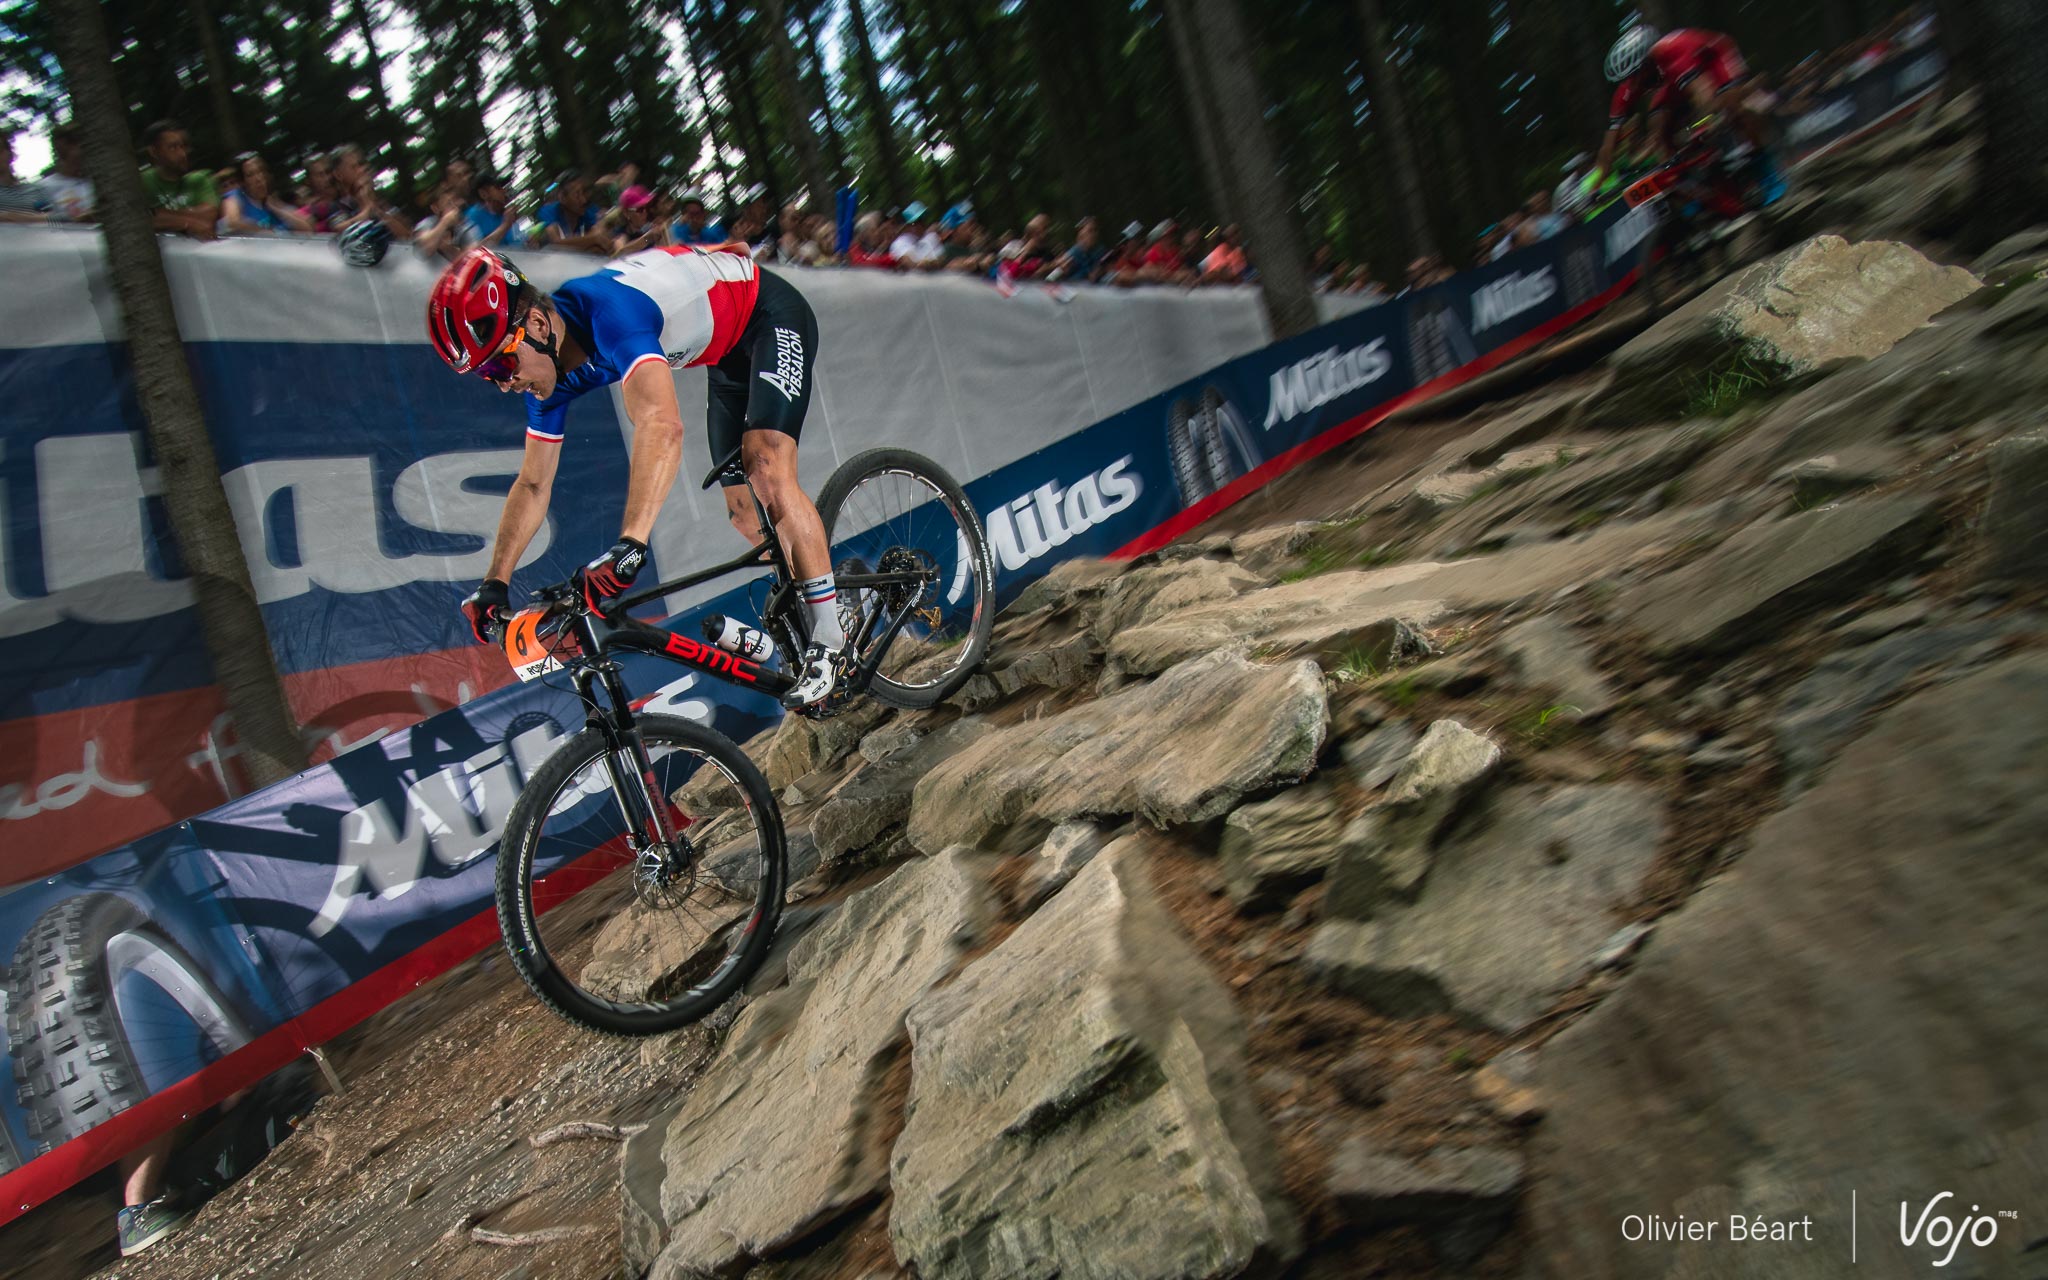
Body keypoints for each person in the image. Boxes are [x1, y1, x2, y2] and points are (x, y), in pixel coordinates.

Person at [429, 244, 847, 706]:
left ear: (537, 325)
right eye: (488, 376)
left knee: (765, 464)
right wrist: (495, 581)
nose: (504, 383)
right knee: (746, 515)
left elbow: (661, 425)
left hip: (768, 314)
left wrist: (631, 544)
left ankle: (831, 636)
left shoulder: (611, 315)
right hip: (723, 350)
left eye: (501, 365)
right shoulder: (544, 373)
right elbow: (532, 483)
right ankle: (820, 595)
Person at [139, 119, 219, 240]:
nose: (182, 154)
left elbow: (208, 218)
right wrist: (190, 223)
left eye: (182, 146)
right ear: (154, 152)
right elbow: (138, 219)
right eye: (173, 147)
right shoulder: (142, 181)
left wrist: (159, 214)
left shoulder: (199, 179)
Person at [221, 153, 314, 235]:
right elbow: (232, 223)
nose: (258, 178)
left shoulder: (272, 200)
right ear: (242, 182)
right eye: (250, 175)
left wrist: (275, 209)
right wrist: (264, 231)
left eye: (260, 172)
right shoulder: (235, 197)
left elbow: (307, 228)